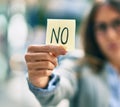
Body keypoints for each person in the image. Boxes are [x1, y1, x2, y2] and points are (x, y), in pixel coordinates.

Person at [25, 0, 120, 107]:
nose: (110, 35)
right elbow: (63, 82)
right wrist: (44, 81)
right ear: (92, 33)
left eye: (117, 23)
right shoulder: (79, 65)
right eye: (101, 27)